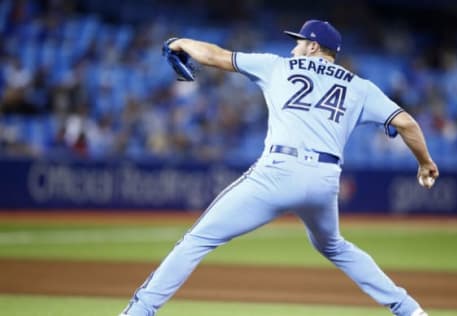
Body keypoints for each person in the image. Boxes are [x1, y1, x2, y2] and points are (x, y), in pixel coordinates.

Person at [120, 19, 438, 316]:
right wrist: (425, 163)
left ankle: (139, 311)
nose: (294, 47)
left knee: (197, 239)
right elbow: (407, 123)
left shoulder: (277, 66)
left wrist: (181, 41)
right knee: (336, 247)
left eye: (300, 42)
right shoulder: (361, 87)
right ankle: (410, 310)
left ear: (314, 47)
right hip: (325, 181)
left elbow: (216, 56)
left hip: (279, 171)